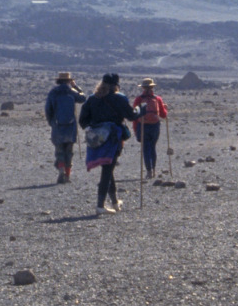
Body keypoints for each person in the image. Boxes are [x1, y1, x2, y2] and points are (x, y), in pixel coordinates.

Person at [79, 73, 138, 215]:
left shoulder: (92, 99)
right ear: (116, 85)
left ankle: (115, 202)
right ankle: (100, 205)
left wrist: (91, 129)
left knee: (108, 168)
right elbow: (131, 116)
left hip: (96, 140)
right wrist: (140, 110)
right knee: (107, 170)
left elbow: (82, 120)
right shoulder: (119, 98)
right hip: (112, 138)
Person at [43, 71, 87, 184]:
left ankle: (61, 170)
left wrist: (51, 122)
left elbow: (48, 109)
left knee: (59, 151)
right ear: (68, 80)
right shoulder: (72, 92)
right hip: (70, 126)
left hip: (57, 126)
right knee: (69, 151)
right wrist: (75, 86)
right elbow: (83, 98)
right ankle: (67, 176)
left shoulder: (53, 93)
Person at [131, 78, 169, 178]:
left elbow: (135, 116)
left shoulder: (138, 99)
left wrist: (135, 129)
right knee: (152, 148)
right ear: (152, 87)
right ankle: (153, 170)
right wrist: (165, 108)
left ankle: (148, 171)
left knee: (146, 148)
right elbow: (163, 115)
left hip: (143, 126)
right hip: (155, 126)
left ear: (143, 88)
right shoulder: (157, 99)